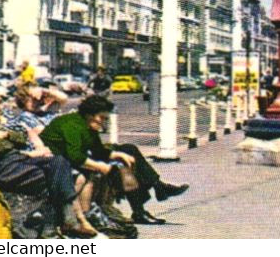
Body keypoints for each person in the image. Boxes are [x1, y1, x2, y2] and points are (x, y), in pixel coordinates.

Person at [0, 83, 97, 238]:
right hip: (1, 170)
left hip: (14, 162)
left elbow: (21, 138)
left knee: (58, 161)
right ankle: (60, 225)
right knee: (55, 177)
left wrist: (7, 136)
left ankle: (65, 222)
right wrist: (8, 138)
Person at [42, 93, 185, 231]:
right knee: (121, 168)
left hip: (73, 157)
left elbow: (98, 150)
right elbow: (75, 156)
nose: (104, 123)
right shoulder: (72, 125)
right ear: (89, 115)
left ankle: (156, 189)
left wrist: (117, 154)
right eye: (102, 118)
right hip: (55, 161)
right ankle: (150, 197)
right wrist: (101, 166)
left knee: (128, 151)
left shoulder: (87, 125)